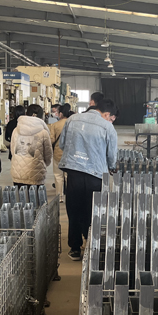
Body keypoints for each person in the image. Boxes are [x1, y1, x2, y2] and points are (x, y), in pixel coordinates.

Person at [59, 98, 118, 260]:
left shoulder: (72, 119)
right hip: (95, 174)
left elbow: (62, 144)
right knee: (93, 211)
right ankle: (91, 245)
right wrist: (112, 166)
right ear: (106, 114)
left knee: (74, 210)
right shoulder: (107, 127)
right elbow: (112, 154)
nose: (111, 120)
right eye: (111, 118)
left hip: (74, 172)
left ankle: (75, 248)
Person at [10, 104, 52, 188]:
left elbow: (12, 149)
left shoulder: (16, 130)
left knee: (20, 195)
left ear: (26, 113)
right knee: (35, 195)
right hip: (36, 172)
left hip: (18, 172)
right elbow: (48, 153)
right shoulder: (43, 132)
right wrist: (45, 164)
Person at [49, 103, 72, 202]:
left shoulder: (55, 125)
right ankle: (70, 195)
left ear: (61, 114)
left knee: (58, 176)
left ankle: (60, 197)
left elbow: (51, 140)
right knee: (68, 176)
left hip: (58, 153)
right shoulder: (72, 124)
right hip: (70, 154)